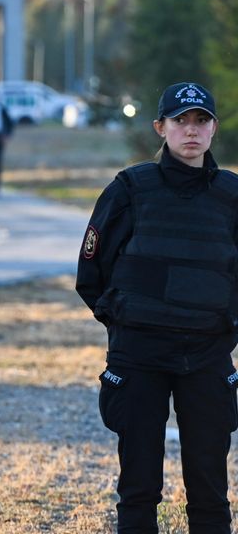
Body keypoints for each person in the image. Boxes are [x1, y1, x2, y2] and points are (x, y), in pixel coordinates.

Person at [76, 81, 238, 534]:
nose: (191, 131)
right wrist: (127, 322)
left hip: (206, 356)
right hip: (140, 355)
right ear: (160, 127)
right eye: (180, 121)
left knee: (210, 490)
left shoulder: (232, 196)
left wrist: (226, 326)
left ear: (213, 129)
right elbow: (91, 272)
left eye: (200, 120)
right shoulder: (130, 189)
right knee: (139, 486)